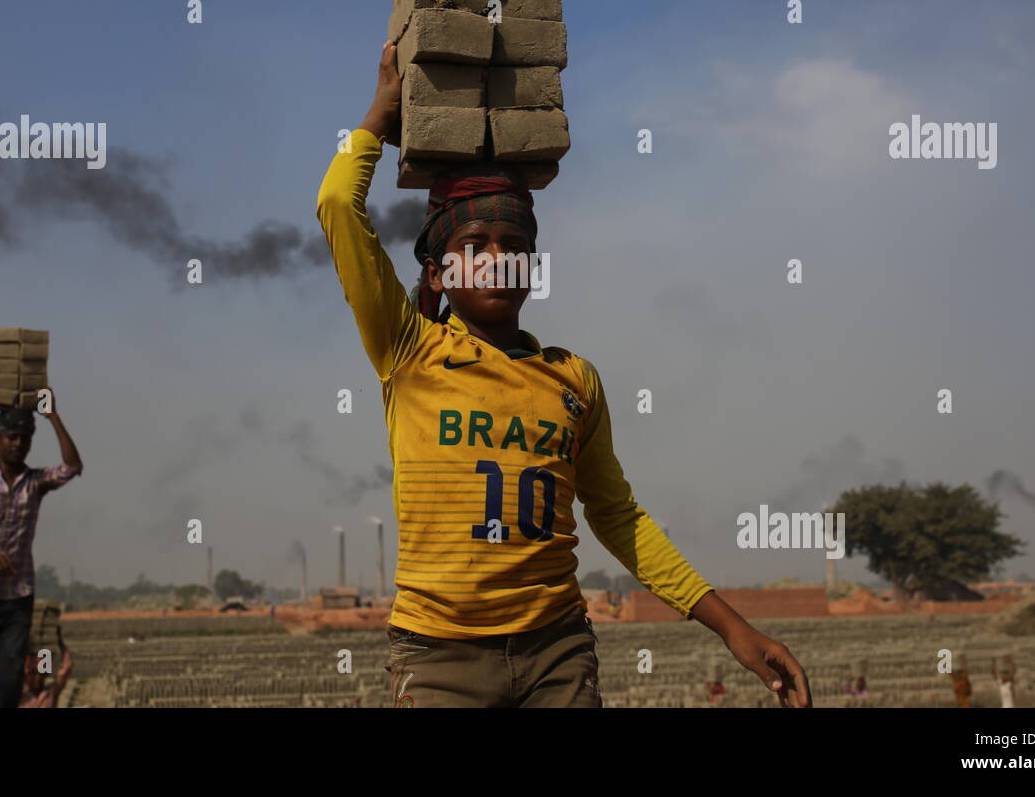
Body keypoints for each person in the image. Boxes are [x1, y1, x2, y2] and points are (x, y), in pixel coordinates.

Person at [314, 41, 811, 708]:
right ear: (437, 272)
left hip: (558, 651)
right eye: (474, 246)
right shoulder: (409, 349)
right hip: (439, 658)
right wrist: (378, 116)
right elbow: (337, 206)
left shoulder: (574, 381)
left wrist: (732, 629)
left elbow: (618, 516)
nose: (497, 260)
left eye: (516, 248)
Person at [0, 400, 82, 707]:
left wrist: (52, 416)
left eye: (24, 438)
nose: (18, 444)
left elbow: (73, 466)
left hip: (18, 597)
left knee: (9, 680)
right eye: (12, 437)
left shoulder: (36, 482)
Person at [19, 628, 73, 708]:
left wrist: (60, 642)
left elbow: (67, 668)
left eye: (41, 673)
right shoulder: (18, 694)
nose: (37, 678)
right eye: (33, 673)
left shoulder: (51, 692)